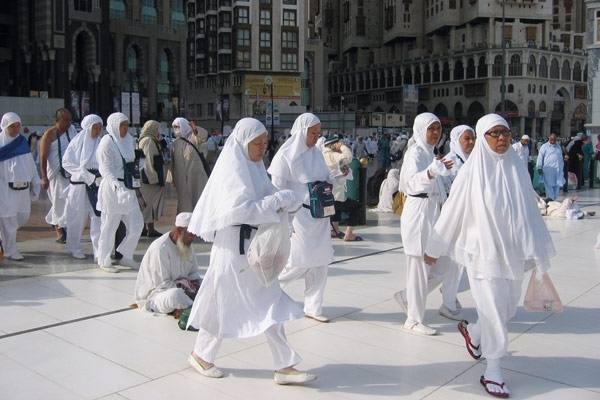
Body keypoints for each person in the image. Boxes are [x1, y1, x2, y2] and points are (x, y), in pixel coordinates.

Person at [424, 113, 556, 398]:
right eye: (494, 133)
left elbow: (528, 211)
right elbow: (452, 212)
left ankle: (474, 332)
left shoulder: (517, 168)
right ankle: (493, 369)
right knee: (494, 311)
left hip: (512, 253)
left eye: (505, 132)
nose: (501, 138)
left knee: (506, 309)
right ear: (484, 138)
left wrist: (536, 247)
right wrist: (434, 248)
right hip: (482, 252)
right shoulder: (471, 173)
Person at [186, 117, 316, 384]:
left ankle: (285, 365)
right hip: (232, 250)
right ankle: (201, 355)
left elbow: (268, 199)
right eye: (257, 143)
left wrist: (287, 201)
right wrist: (276, 201)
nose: (262, 148)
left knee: (270, 300)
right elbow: (240, 211)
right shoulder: (232, 173)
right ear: (243, 144)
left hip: (254, 250)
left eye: (265, 143)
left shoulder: (255, 169)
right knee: (220, 301)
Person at [269, 113, 334, 323]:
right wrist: (283, 220)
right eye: (313, 133)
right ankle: (265, 293)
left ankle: (313, 307)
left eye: (318, 133)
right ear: (302, 132)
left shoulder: (317, 155)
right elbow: (277, 190)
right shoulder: (285, 156)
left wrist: (338, 178)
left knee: (321, 262)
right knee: (298, 261)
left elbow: (325, 180)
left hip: (320, 214)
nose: (316, 137)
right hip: (299, 216)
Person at [394, 112, 453, 336]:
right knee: (419, 268)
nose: (436, 133)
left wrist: (442, 171)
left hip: (432, 212)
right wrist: (430, 172)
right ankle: (413, 319)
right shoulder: (415, 153)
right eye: (431, 129)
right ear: (421, 130)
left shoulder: (430, 153)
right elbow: (411, 184)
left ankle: (408, 297)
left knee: (443, 265)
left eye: (438, 128)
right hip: (418, 213)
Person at [95, 112, 144, 273]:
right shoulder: (107, 143)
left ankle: (126, 255)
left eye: (127, 125)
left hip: (128, 187)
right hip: (113, 189)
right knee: (109, 226)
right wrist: (117, 187)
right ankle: (104, 259)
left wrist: (140, 164)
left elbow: (131, 162)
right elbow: (106, 170)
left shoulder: (129, 140)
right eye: (122, 125)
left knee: (137, 223)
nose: (125, 128)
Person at [437, 124, 476, 321]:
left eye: (472, 138)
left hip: (471, 217)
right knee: (456, 262)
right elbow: (445, 189)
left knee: (467, 262)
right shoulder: (450, 161)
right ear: (456, 140)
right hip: (456, 218)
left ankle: (450, 293)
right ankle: (448, 302)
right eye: (466, 139)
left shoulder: (473, 159)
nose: (471, 142)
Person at [134, 212, 201, 315]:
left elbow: (194, 275)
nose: (194, 238)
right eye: (191, 234)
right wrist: (192, 295)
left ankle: (191, 308)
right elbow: (163, 285)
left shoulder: (187, 244)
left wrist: (197, 289)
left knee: (210, 284)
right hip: (157, 296)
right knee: (176, 295)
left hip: (185, 289)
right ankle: (196, 311)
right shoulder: (160, 248)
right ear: (179, 231)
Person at [61, 114, 103, 260]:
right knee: (77, 218)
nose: (97, 131)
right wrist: (85, 175)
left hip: (96, 186)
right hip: (79, 187)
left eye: (100, 128)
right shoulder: (76, 144)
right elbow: (67, 163)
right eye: (95, 128)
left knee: (97, 217)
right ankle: (74, 247)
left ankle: (99, 252)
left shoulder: (101, 143)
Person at [0, 112, 41, 261]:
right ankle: (11, 250)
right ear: (5, 127)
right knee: (9, 219)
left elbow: (29, 164)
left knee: (22, 216)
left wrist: (35, 181)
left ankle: (5, 240)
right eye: (12, 126)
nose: (16, 129)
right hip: (4, 189)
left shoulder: (22, 142)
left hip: (22, 189)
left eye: (18, 126)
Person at [39, 108, 78, 243]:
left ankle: (60, 224)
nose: (69, 123)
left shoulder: (72, 131)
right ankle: (59, 230)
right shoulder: (49, 135)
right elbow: (43, 158)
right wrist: (44, 177)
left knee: (70, 202)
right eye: (66, 120)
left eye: (70, 120)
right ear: (58, 120)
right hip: (56, 175)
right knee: (58, 203)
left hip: (71, 174)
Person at [321, 134, 364, 241]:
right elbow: (347, 158)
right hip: (335, 194)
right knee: (357, 207)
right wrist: (343, 147)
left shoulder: (321, 155)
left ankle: (334, 230)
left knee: (337, 207)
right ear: (332, 146)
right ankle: (349, 234)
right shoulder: (332, 155)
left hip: (327, 194)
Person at [166, 117, 210, 213]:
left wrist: (195, 129)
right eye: (174, 127)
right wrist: (171, 178)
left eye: (178, 127)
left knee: (197, 197)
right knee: (184, 200)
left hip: (195, 175)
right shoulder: (175, 143)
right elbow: (172, 161)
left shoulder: (194, 138)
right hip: (181, 176)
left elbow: (203, 136)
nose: (176, 129)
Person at [138, 120, 166, 237]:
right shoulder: (149, 141)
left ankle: (144, 228)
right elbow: (148, 160)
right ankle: (150, 228)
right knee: (150, 203)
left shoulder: (143, 139)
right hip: (149, 177)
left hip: (144, 176)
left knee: (145, 203)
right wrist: (152, 177)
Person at [536, 133, 565, 200]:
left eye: (554, 140)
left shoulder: (558, 147)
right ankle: (550, 200)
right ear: (549, 139)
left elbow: (561, 158)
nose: (553, 141)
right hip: (548, 169)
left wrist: (562, 167)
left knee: (557, 185)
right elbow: (540, 157)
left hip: (558, 170)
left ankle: (553, 199)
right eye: (551, 140)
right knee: (549, 185)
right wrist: (539, 167)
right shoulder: (544, 147)